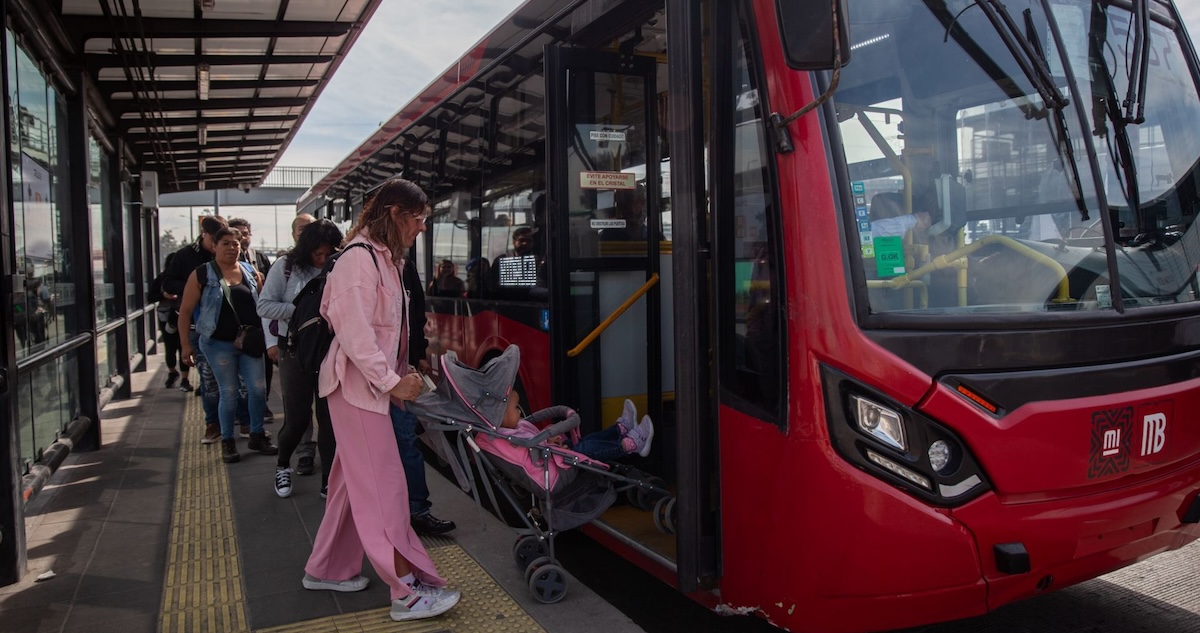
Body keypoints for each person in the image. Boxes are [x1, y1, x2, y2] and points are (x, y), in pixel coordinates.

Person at [302, 178, 461, 622]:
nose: (422, 227)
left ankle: (326, 569)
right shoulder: (360, 259)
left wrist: (398, 376)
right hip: (359, 391)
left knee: (350, 487)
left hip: (365, 389)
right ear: (394, 213)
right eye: (419, 218)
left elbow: (384, 332)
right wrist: (391, 382)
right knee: (384, 491)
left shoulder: (382, 257)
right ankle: (406, 593)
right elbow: (356, 334)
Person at [258, 219, 344, 498]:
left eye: (328, 253)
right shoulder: (286, 267)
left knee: (329, 419)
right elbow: (264, 305)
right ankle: (283, 464)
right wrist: (301, 311)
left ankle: (329, 479)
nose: (322, 259)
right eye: (317, 253)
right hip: (294, 350)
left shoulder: (340, 267)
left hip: (329, 351)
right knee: (296, 418)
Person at [178, 227, 278, 463]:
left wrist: (270, 339)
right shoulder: (201, 274)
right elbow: (185, 312)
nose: (232, 248)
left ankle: (257, 434)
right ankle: (227, 440)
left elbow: (264, 306)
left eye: (236, 244)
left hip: (249, 342)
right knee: (229, 391)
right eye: (226, 243)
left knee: (257, 389)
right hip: (218, 344)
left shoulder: (250, 271)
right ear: (214, 246)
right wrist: (185, 345)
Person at [164, 215, 250, 442]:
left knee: (241, 382)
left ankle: (245, 422)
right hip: (202, 330)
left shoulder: (236, 255)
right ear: (205, 236)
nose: (226, 246)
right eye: (217, 239)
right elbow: (168, 283)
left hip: (235, 331)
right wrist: (197, 285)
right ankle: (213, 424)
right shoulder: (185, 257)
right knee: (210, 382)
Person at [394, 253, 456, 535]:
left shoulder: (403, 265)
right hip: (371, 381)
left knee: (407, 439)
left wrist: (418, 354)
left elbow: (416, 315)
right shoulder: (359, 261)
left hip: (400, 371)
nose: (419, 232)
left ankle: (417, 509)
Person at [498, 397, 654, 461]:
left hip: (555, 454)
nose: (519, 412)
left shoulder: (514, 430)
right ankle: (631, 445)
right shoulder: (512, 438)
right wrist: (553, 448)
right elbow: (532, 454)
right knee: (587, 448)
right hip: (557, 463)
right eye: (515, 408)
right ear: (501, 417)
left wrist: (549, 441)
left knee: (589, 440)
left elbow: (535, 444)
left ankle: (620, 430)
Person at [228, 217, 276, 424]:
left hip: (258, 327)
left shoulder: (260, 259)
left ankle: (261, 406)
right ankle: (240, 412)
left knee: (262, 371)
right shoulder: (217, 265)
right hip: (229, 330)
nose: (242, 238)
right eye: (238, 233)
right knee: (233, 376)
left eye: (246, 233)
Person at [149, 252, 188, 389]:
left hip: (182, 315)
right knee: (170, 347)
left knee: (183, 346)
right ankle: (172, 372)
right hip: (165, 317)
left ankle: (185, 378)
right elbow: (150, 297)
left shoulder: (187, 279)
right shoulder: (161, 279)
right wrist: (163, 295)